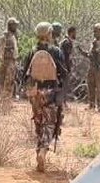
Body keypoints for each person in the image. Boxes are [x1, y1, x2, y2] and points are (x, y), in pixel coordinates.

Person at [22, 22, 67, 172]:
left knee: (39, 121)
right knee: (50, 124)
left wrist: (29, 91)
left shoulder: (31, 52)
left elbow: (23, 75)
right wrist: (62, 92)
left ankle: (38, 151)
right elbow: (64, 73)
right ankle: (42, 150)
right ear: (49, 34)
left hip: (35, 93)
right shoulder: (56, 51)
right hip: (51, 92)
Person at [0, 17, 19, 101]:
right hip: (8, 62)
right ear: (10, 25)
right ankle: (5, 101)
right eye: (14, 25)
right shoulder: (6, 37)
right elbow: (1, 50)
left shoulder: (11, 36)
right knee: (8, 81)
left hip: (10, 62)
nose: (16, 27)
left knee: (9, 81)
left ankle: (6, 99)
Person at [60, 24, 78, 103]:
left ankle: (63, 102)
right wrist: (67, 68)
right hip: (64, 67)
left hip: (62, 66)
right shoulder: (67, 42)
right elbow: (66, 57)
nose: (75, 34)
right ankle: (63, 102)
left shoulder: (65, 41)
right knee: (64, 85)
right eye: (75, 33)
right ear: (71, 33)